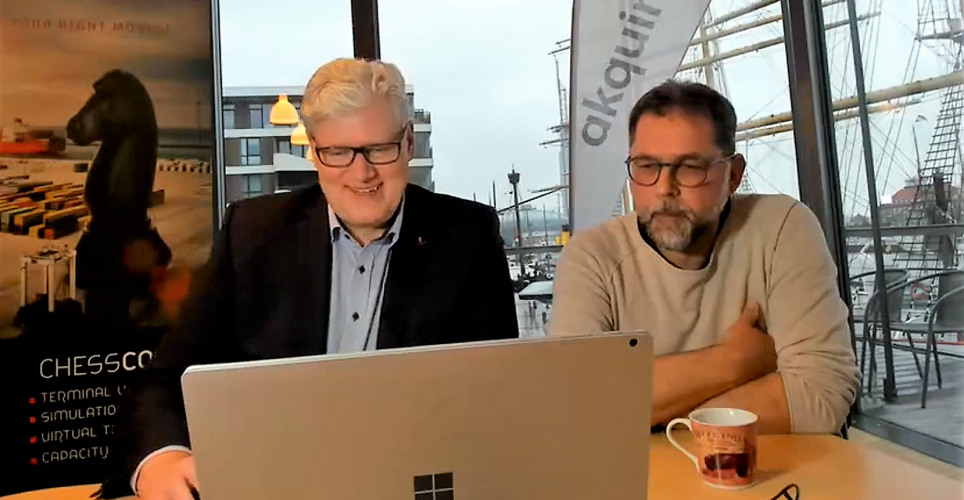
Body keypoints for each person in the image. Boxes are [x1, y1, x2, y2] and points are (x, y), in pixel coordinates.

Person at [97, 58, 519, 500]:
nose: (362, 173)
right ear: (313, 151)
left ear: (409, 143)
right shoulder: (251, 232)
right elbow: (164, 381)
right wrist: (163, 458)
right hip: (272, 485)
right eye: (338, 152)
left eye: (379, 149)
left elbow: (495, 400)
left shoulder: (467, 237)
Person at [548, 80, 859, 435]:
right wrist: (734, 362)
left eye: (691, 167)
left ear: (734, 175)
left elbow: (822, 398)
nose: (664, 189)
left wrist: (637, 413)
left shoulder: (782, 228)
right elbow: (574, 408)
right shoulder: (592, 258)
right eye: (647, 166)